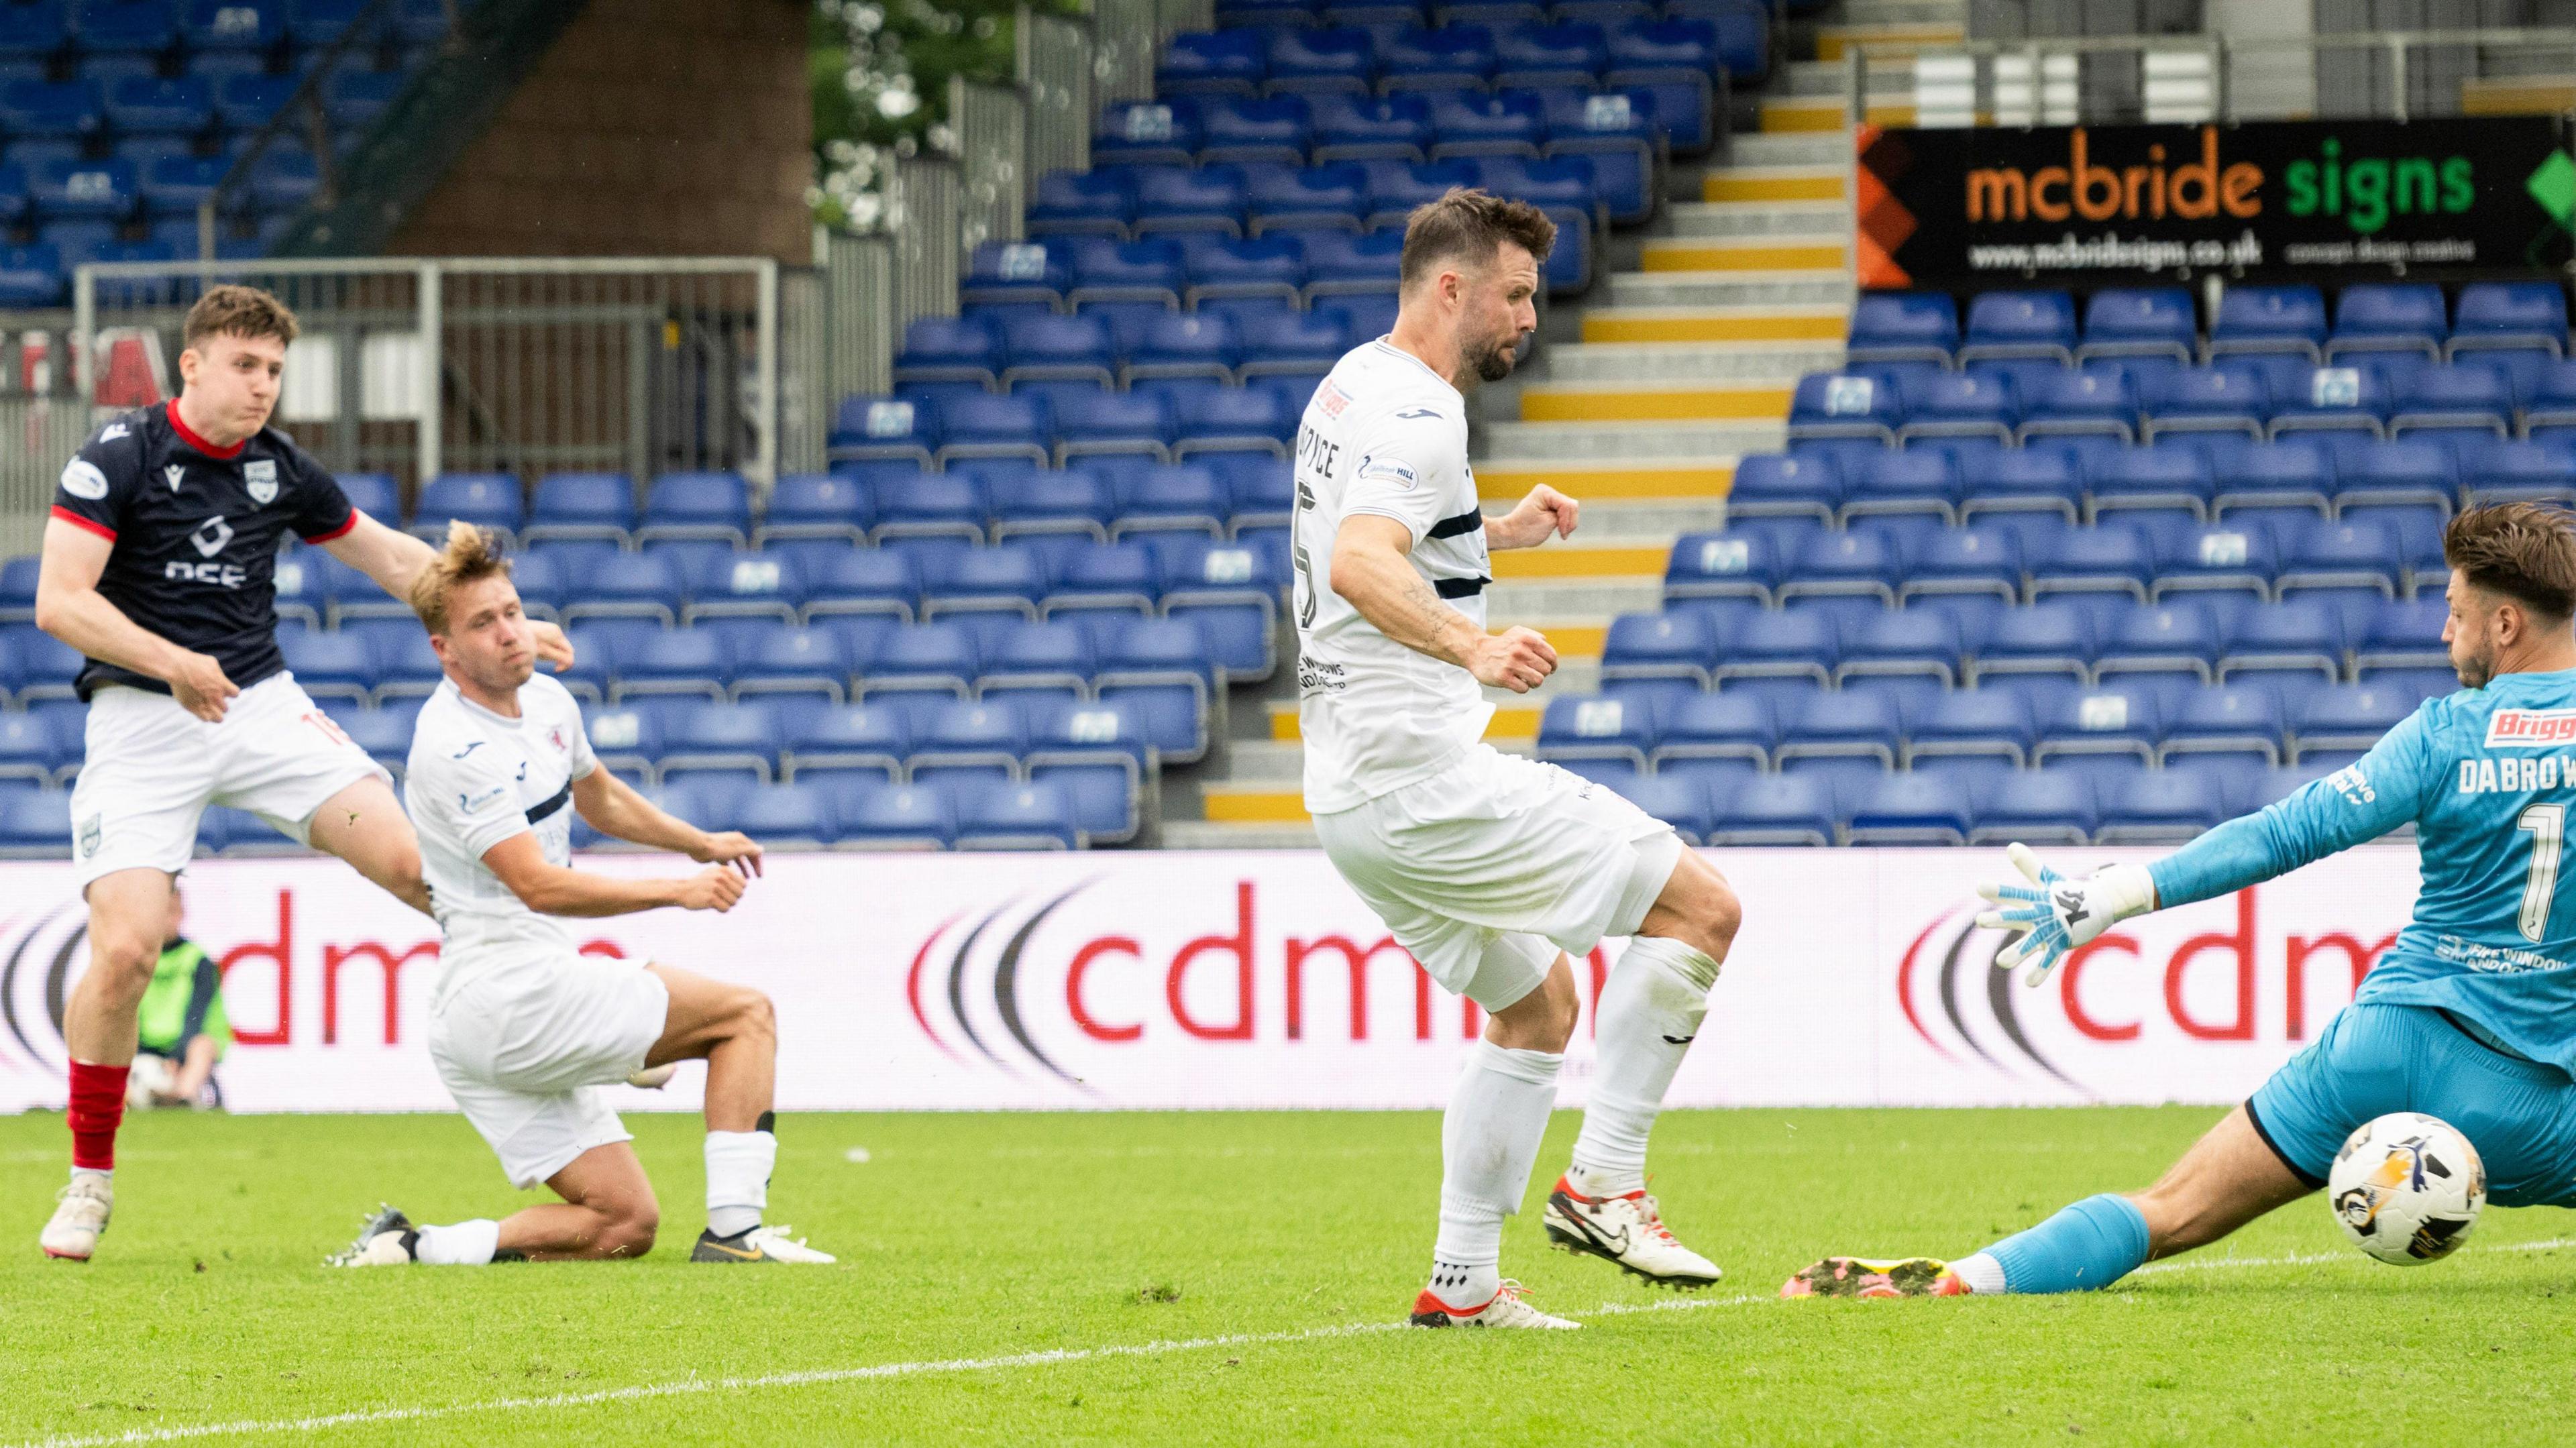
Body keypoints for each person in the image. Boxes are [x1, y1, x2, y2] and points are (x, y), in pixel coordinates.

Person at [1785, 502, 2576, 1300]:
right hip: (2525, 1095)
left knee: (2167, 1209)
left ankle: (1965, 1276)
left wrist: (2119, 891)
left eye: (2456, 613)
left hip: (2382, 1045)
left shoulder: (2442, 731)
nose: (2447, 633)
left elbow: (2286, 832)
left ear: (2505, 623)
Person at [36, 284, 577, 1262]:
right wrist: (169, 660)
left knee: (428, 869)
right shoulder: (116, 458)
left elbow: (392, 558)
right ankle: (89, 1181)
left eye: (276, 370)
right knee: (123, 953)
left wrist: (503, 616)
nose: (264, 387)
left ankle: (575, 1020)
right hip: (141, 721)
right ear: (191, 364)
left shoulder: (278, 466)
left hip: (262, 708)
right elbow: (60, 602)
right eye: (246, 366)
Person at [1291, 189, 1744, 1331]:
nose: (1529, 315)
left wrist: (1492, 534)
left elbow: (1385, 530)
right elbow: (1356, 560)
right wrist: (1471, 642)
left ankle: (1463, 1282)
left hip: (1350, 789)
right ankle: (1604, 1184)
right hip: (1422, 776)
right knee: (1704, 908)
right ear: (1453, 287)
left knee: (1540, 1000)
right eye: (1516, 291)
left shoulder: (1354, 381)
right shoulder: (1425, 415)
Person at [331, 522, 830, 1268]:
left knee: (620, 1222)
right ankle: (735, 1232)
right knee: (744, 1016)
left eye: (510, 611)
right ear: (444, 650)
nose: (509, 633)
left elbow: (601, 800)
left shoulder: (549, 701)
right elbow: (538, 885)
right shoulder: (453, 745)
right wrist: (681, 889)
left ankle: (412, 1247)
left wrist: (699, 841)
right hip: (510, 997)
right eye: (482, 623)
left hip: (497, 1010)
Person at [127, 879, 229, 1111]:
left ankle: (180, 1099)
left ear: (182, 913)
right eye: (159, 913)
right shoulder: (136, 960)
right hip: (145, 1045)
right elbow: (130, 1015)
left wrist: (177, 1057)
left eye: (171, 912)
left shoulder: (197, 960)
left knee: (203, 1047)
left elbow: (197, 1015)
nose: (165, 920)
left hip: (185, 1045)